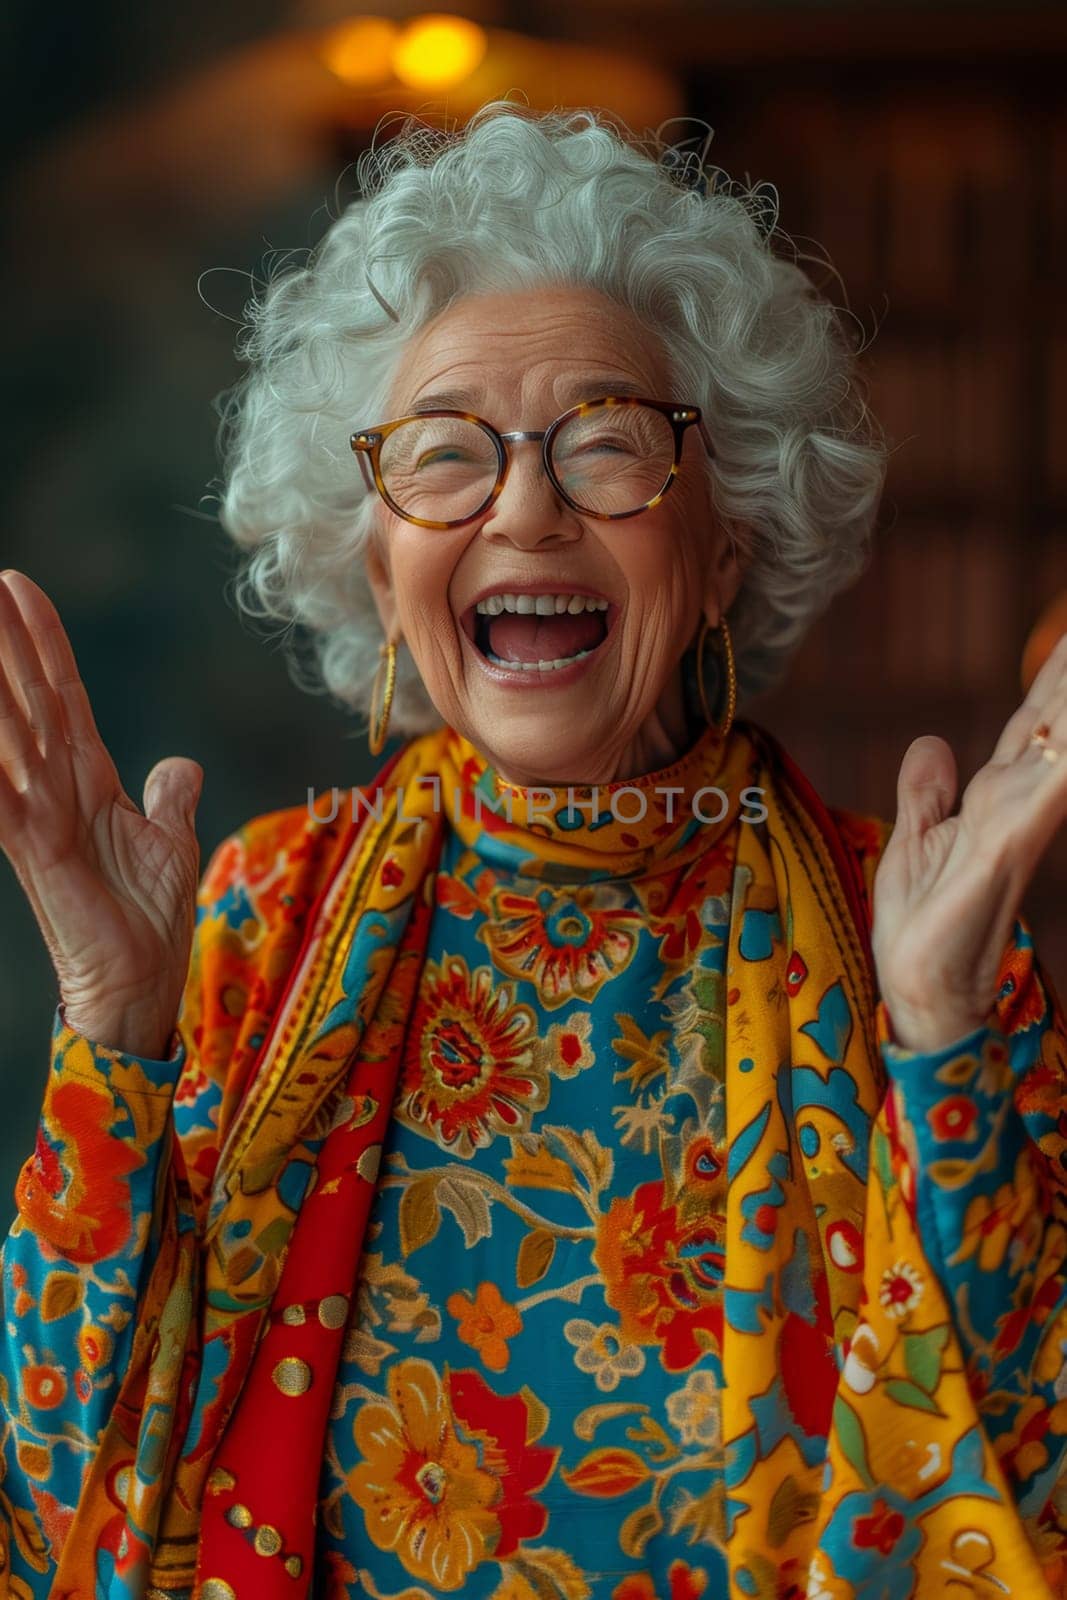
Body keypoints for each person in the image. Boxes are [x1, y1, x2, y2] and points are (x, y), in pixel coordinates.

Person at [1, 100, 1066, 1600]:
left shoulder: (927, 939)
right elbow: (64, 1504)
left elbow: (1035, 1480)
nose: (523, 505)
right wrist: (113, 1038)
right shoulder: (254, 919)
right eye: (445, 456)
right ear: (378, 558)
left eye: (609, 445)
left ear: (723, 551)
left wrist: (948, 1043)